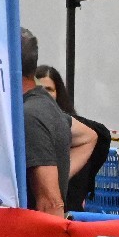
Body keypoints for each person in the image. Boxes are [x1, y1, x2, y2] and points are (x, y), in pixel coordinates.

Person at [19, 29, 97, 217]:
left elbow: (51, 203)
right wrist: (59, 171)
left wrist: (57, 174)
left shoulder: (30, 116)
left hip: (30, 231)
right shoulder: (41, 105)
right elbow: (88, 136)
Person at [35, 65, 111, 212]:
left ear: (58, 93)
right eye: (40, 89)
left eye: (49, 89)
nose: (44, 94)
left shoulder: (78, 129)